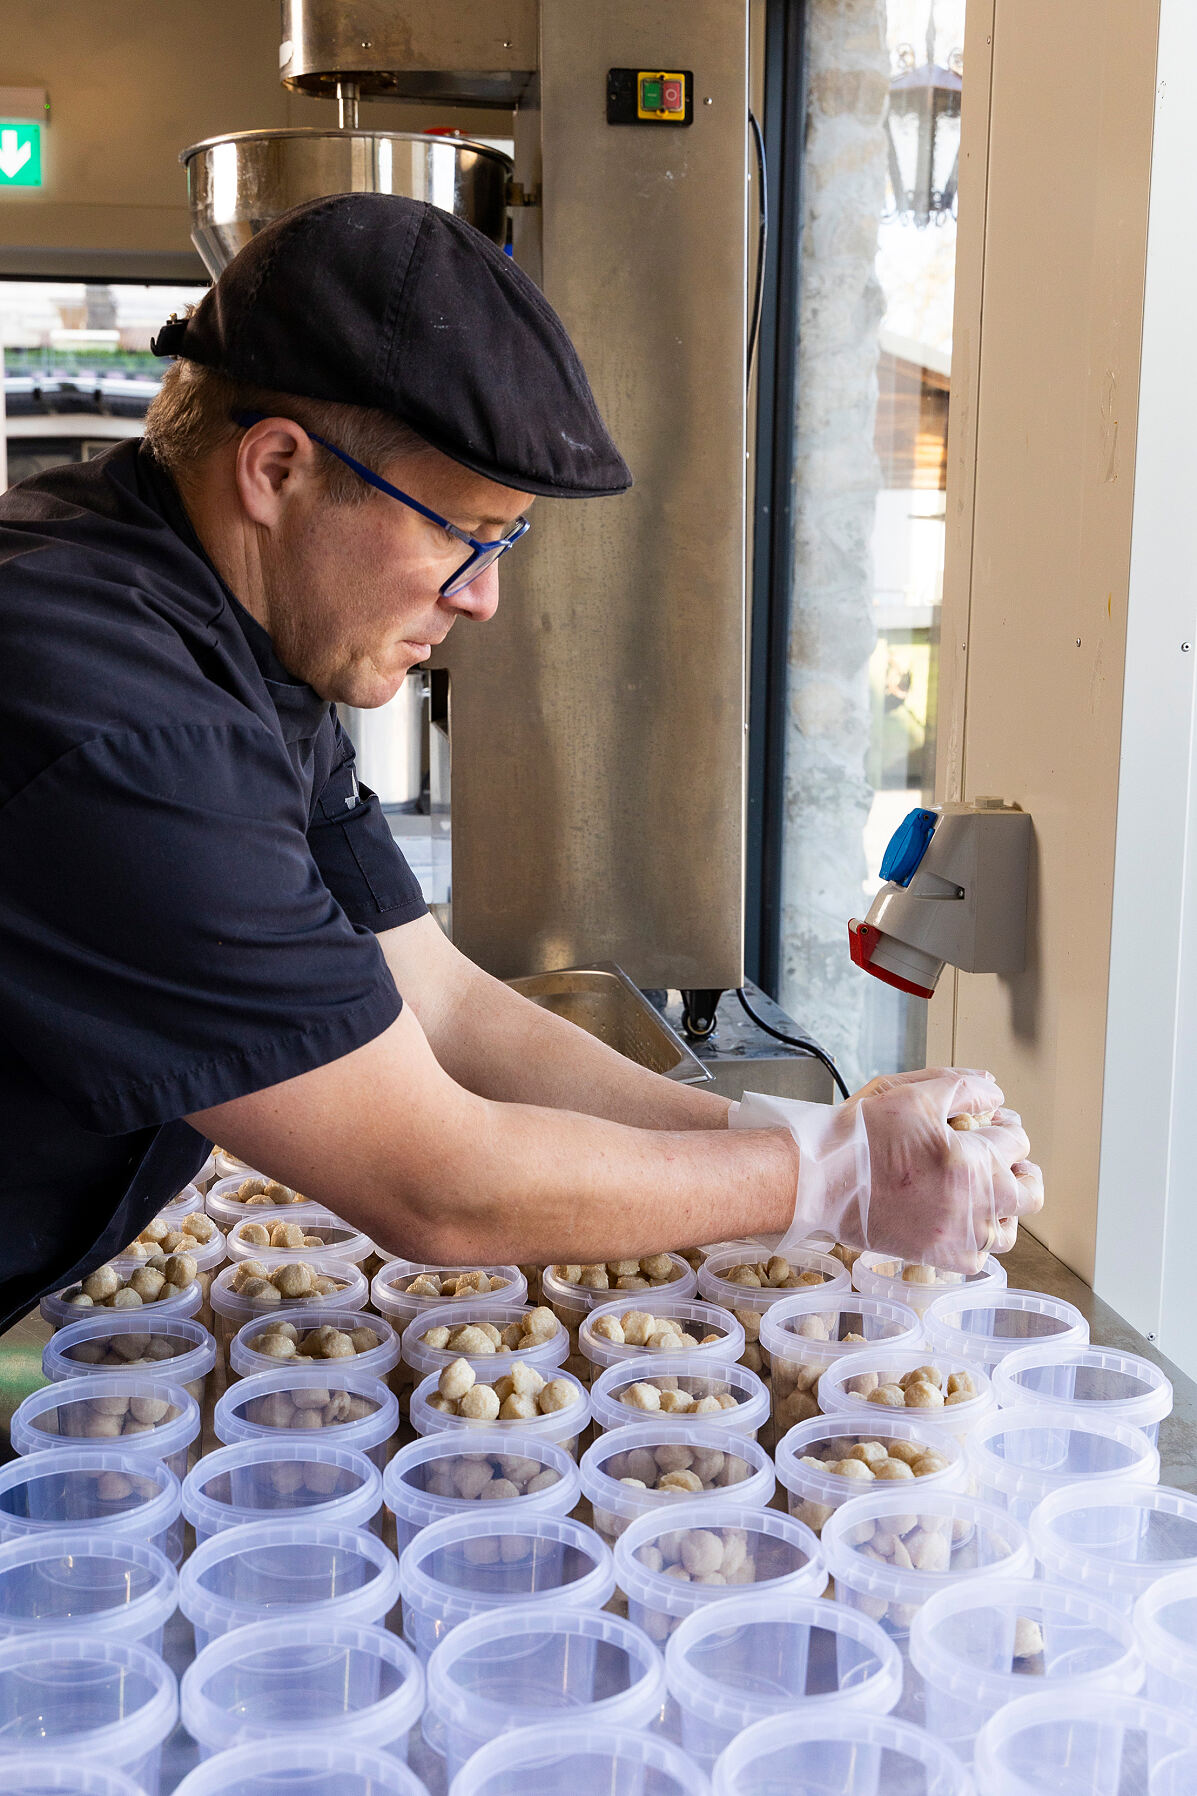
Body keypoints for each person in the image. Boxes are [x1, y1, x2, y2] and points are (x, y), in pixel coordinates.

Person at [0, 194, 1041, 1332]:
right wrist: (841, 1183)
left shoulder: (231, 630)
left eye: (505, 542)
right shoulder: (130, 718)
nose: (484, 596)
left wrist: (792, 1136)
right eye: (458, 532)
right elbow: (436, 1181)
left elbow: (441, 1002)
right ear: (278, 468)